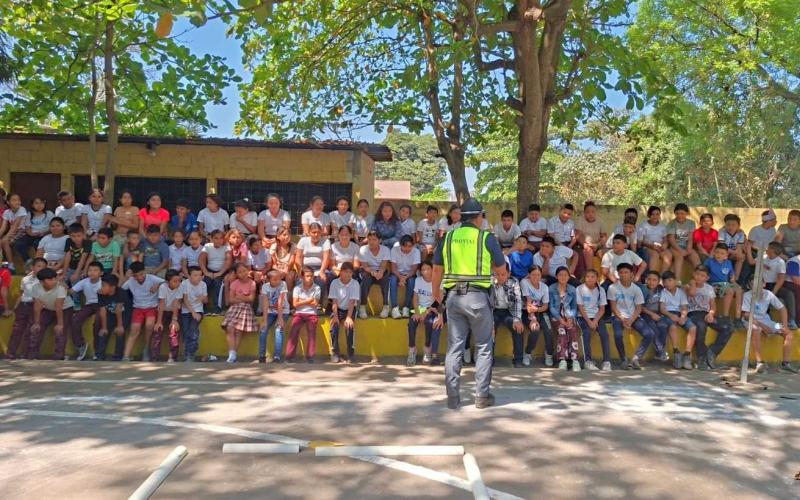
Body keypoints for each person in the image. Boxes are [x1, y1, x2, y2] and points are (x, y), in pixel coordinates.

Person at [432, 198, 507, 410]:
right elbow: (501, 271)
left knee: (455, 347)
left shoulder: (447, 237)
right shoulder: (486, 237)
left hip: (453, 298)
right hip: (478, 299)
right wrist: (500, 278)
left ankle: (453, 398)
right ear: (478, 217)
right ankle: (481, 396)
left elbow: (437, 269)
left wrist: (436, 293)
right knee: (483, 346)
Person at [742, 280, 797, 373]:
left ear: (764, 284)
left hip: (766, 320)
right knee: (756, 330)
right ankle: (760, 363)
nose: (756, 287)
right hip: (751, 320)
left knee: (788, 334)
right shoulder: (747, 295)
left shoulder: (769, 294)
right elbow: (746, 315)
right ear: (750, 286)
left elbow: (782, 308)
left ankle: (786, 364)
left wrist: (785, 325)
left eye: (759, 284)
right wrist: (763, 326)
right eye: (753, 285)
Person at [608, 263, 655, 370]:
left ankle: (636, 358)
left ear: (631, 274)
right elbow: (613, 307)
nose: (623, 275)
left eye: (626, 272)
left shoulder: (636, 289)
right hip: (618, 316)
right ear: (618, 274)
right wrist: (622, 319)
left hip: (633, 316)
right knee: (618, 335)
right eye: (621, 272)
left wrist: (631, 320)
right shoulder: (612, 288)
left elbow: (638, 308)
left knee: (649, 334)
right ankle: (623, 359)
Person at [685, 265, 733, 370]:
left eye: (702, 276)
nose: (699, 277)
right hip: (694, 313)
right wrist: (692, 283)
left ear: (707, 278)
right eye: (697, 274)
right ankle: (701, 357)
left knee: (728, 327)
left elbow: (713, 305)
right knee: (701, 327)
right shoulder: (688, 286)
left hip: (706, 314)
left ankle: (712, 351)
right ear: (693, 274)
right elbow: (692, 293)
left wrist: (711, 313)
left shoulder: (709, 288)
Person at [28, 267, 77, 360]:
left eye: (55, 278)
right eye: (50, 279)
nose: (54, 281)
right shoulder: (36, 288)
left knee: (60, 330)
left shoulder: (61, 288)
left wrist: (60, 324)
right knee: (37, 328)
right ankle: (32, 354)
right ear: (42, 282)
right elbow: (37, 306)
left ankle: (59, 355)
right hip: (48, 308)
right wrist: (37, 322)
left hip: (65, 309)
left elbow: (59, 307)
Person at [121, 261, 165, 361]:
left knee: (149, 325)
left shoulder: (152, 278)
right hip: (138, 308)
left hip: (151, 307)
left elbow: (166, 281)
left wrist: (157, 286)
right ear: (133, 275)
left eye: (141, 274)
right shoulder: (131, 280)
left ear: (144, 271)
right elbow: (121, 287)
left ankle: (146, 349)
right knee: (134, 329)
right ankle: (126, 355)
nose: (139, 277)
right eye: (136, 275)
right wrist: (126, 277)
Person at [5, 258, 47, 359]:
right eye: (39, 266)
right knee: (17, 329)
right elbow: (21, 293)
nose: (41, 269)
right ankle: (11, 352)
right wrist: (15, 307)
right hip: (23, 305)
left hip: (35, 306)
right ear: (32, 267)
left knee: (31, 331)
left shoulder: (44, 280)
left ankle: (28, 354)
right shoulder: (25, 279)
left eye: (44, 267)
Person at [658, 271, 697, 370]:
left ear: (675, 281)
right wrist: (671, 316)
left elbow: (684, 307)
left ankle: (687, 355)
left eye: (670, 280)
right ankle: (676, 353)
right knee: (672, 327)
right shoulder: (663, 292)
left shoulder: (681, 292)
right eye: (665, 281)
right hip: (668, 314)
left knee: (693, 327)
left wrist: (683, 316)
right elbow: (662, 309)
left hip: (680, 313)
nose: (668, 283)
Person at [407, 261, 443, 366]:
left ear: (432, 269)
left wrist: (427, 311)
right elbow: (415, 298)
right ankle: (412, 350)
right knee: (412, 322)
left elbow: (439, 299)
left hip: (432, 308)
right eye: (423, 270)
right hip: (420, 308)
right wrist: (418, 312)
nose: (425, 272)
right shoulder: (418, 280)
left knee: (429, 322)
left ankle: (427, 349)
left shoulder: (438, 281)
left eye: (428, 269)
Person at [222, 263, 257, 363]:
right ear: (237, 274)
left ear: (248, 271)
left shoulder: (252, 283)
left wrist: (239, 297)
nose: (243, 273)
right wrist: (244, 298)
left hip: (246, 308)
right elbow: (231, 300)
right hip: (234, 308)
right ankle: (232, 353)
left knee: (238, 330)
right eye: (240, 272)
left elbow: (251, 299)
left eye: (244, 271)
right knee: (229, 328)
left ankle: (233, 355)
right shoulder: (234, 283)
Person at [576, 269, 610, 371]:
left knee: (604, 334)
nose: (590, 279)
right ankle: (588, 361)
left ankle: (606, 361)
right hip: (583, 317)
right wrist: (589, 322)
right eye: (588, 276)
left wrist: (595, 321)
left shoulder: (601, 290)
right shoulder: (579, 289)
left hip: (596, 317)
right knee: (586, 333)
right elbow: (580, 308)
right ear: (584, 278)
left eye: (592, 277)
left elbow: (602, 309)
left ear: (597, 278)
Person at [69, 261, 104, 361]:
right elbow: (71, 291)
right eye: (90, 270)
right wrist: (63, 287)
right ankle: (81, 345)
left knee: (97, 322)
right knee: (75, 320)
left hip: (101, 305)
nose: (92, 272)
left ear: (101, 273)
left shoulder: (103, 282)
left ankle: (97, 351)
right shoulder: (84, 281)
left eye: (95, 270)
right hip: (88, 305)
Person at [491, 265, 524, 367]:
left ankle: (518, 359)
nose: (500, 277)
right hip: (493, 311)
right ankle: (489, 359)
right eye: (497, 274)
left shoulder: (513, 282)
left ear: (509, 274)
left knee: (518, 329)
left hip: (508, 311)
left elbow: (518, 301)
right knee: (488, 329)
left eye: (503, 274)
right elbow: (485, 303)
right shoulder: (489, 282)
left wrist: (517, 319)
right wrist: (489, 322)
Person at [520, 266, 554, 367]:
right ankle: (528, 353)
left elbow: (545, 306)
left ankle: (549, 354)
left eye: (538, 274)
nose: (535, 277)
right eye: (533, 274)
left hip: (540, 311)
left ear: (541, 275)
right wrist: (533, 318)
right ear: (529, 275)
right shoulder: (524, 282)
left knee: (549, 330)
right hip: (527, 311)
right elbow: (528, 301)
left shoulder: (544, 287)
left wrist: (537, 310)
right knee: (535, 329)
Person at [549, 266, 581, 371]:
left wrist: (570, 318)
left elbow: (574, 306)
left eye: (565, 275)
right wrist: (560, 319)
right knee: (562, 330)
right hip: (556, 316)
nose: (563, 277)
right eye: (560, 275)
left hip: (569, 316)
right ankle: (562, 360)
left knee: (572, 329)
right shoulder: (552, 288)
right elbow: (552, 307)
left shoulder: (572, 289)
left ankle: (575, 360)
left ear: (569, 277)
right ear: (557, 276)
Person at [705, 242, 744, 329]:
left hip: (726, 283)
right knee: (729, 291)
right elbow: (704, 273)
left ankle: (737, 318)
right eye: (717, 252)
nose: (719, 255)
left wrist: (733, 279)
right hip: (714, 284)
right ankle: (725, 316)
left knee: (739, 290)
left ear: (726, 255)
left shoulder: (728, 263)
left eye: (722, 253)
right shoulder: (709, 262)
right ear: (714, 252)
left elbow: (732, 274)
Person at [328, 262, 360, 363]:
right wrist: (336, 316)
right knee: (334, 326)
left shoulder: (355, 283)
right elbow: (334, 301)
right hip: (337, 308)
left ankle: (350, 354)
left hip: (349, 309)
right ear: (341, 272)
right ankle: (335, 352)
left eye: (350, 272)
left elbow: (352, 301)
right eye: (346, 272)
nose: (348, 274)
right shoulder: (335, 283)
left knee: (349, 327)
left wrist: (349, 317)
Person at [287, 266, 321, 363]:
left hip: (311, 313)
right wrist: (309, 300)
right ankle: (289, 356)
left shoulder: (317, 288)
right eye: (307, 276)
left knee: (312, 332)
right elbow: (295, 304)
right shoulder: (297, 288)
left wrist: (302, 301)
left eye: (311, 276)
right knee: (294, 331)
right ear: (302, 277)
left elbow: (315, 304)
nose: (310, 278)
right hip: (299, 313)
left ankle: (310, 357)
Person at [762, 241, 798, 329]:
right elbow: (752, 262)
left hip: (774, 285)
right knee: (762, 296)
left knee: (789, 294)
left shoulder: (780, 262)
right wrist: (748, 249)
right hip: (762, 284)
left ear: (772, 250)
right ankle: (766, 319)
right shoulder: (763, 257)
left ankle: (791, 320)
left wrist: (773, 293)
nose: (767, 249)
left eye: (769, 248)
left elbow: (781, 279)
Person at [258, 269, 290, 364]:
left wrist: (280, 319)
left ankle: (277, 357)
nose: (278, 281)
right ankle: (261, 356)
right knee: (263, 330)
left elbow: (280, 301)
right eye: (274, 280)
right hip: (270, 312)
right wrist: (264, 319)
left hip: (283, 312)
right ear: (268, 280)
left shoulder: (283, 284)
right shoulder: (265, 287)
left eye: (279, 279)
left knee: (278, 329)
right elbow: (265, 302)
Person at [357, 231, 390, 319]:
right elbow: (364, 266)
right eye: (369, 239)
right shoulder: (363, 249)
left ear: (380, 240)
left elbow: (383, 265)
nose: (371, 242)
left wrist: (380, 272)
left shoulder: (385, 249)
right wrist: (373, 272)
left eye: (374, 239)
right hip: (367, 270)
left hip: (380, 270)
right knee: (365, 280)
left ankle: (386, 306)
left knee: (385, 278)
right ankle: (362, 306)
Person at [94, 274, 127, 361]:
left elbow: (118, 309)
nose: (102, 287)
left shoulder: (121, 292)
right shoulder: (100, 293)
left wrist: (120, 326)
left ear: (112, 287)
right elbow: (103, 310)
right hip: (110, 314)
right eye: (102, 285)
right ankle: (99, 355)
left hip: (124, 314)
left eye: (104, 285)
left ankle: (118, 355)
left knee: (120, 332)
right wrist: (104, 328)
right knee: (103, 331)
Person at [199, 229, 231, 315]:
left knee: (218, 284)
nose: (219, 240)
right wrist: (206, 272)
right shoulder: (207, 246)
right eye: (216, 238)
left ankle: (218, 308)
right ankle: (203, 308)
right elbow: (201, 259)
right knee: (204, 283)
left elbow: (228, 261)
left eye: (221, 238)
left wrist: (220, 273)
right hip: (209, 271)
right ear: (211, 239)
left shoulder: (226, 247)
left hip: (222, 271)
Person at [640, 270, 670, 362]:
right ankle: (661, 350)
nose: (651, 282)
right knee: (653, 328)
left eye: (654, 280)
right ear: (645, 280)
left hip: (658, 313)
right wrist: (651, 314)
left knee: (663, 326)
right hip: (646, 313)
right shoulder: (643, 290)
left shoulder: (660, 289)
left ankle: (658, 352)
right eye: (649, 279)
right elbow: (640, 307)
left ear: (658, 281)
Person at [153, 269, 182, 362]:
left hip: (175, 311)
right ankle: (154, 357)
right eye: (174, 281)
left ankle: (172, 357)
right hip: (163, 311)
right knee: (158, 331)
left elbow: (176, 304)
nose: (177, 283)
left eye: (179, 281)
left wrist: (174, 319)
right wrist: (158, 322)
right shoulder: (163, 287)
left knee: (174, 331)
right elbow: (161, 304)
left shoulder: (180, 287)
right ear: (168, 281)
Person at [388, 235, 420, 318]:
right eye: (404, 246)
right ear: (400, 245)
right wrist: (400, 277)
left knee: (412, 282)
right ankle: (395, 308)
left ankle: (406, 307)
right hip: (396, 273)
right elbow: (393, 268)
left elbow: (413, 270)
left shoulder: (416, 251)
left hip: (410, 274)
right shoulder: (394, 250)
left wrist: (404, 278)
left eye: (410, 246)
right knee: (393, 280)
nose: (407, 248)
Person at [180, 266, 208, 362]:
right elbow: (185, 300)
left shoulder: (203, 284)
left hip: (198, 310)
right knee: (186, 332)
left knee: (193, 331)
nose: (198, 277)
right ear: (189, 276)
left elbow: (205, 298)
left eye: (200, 275)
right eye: (195, 275)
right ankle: (188, 352)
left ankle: (190, 355)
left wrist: (202, 298)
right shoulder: (184, 284)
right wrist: (193, 312)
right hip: (186, 311)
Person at [14, 197, 52, 262]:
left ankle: (41, 261)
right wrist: (31, 234)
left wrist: (44, 233)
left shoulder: (49, 213)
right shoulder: (29, 214)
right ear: (32, 205)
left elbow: (53, 226)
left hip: (45, 235)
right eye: (36, 203)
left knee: (37, 243)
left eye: (41, 203)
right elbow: (27, 228)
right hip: (31, 235)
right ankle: (28, 260)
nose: (39, 205)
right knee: (18, 243)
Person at [574, 201, 607, 274]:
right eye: (588, 212)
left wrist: (597, 245)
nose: (590, 214)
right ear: (584, 213)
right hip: (584, 245)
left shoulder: (600, 222)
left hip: (597, 245)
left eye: (593, 212)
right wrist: (585, 245)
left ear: (596, 212)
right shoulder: (580, 220)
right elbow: (578, 235)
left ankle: (609, 274)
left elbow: (604, 236)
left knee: (604, 254)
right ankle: (591, 273)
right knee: (588, 251)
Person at [296, 223, 331, 290]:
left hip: (319, 268)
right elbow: (298, 257)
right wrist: (301, 270)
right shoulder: (303, 240)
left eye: (318, 232)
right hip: (305, 268)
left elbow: (326, 258)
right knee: (300, 282)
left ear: (321, 232)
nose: (316, 234)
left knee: (322, 281)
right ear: (309, 232)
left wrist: (322, 271)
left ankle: (321, 300)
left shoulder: (326, 241)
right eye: (313, 232)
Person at [636, 206, 671, 274]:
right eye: (653, 214)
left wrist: (664, 245)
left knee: (668, 255)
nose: (655, 216)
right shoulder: (643, 225)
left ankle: (662, 277)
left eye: (657, 214)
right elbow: (640, 241)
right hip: (648, 247)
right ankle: (652, 276)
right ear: (649, 215)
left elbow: (665, 240)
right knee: (655, 255)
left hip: (660, 247)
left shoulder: (662, 226)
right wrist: (651, 245)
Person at [0, 193, 29, 265]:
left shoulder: (22, 209)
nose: (17, 202)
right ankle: (9, 264)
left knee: (4, 241)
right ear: (8, 202)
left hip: (22, 232)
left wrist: (6, 237)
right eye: (14, 200)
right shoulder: (7, 212)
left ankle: (9, 264)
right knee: (3, 242)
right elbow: (3, 227)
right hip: (13, 233)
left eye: (18, 200)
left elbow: (15, 225)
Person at [718, 213, 746, 285]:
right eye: (728, 224)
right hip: (723, 252)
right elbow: (722, 246)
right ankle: (722, 279)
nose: (730, 227)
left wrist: (736, 253)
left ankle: (735, 279)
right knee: (722, 255)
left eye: (733, 225)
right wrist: (733, 253)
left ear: (738, 225)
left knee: (741, 256)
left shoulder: (741, 233)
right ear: (725, 224)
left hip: (733, 253)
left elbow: (739, 247)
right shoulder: (721, 231)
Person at [62, 223, 92, 291]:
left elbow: (83, 259)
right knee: (60, 281)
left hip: (82, 269)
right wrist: (64, 274)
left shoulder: (87, 243)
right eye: (73, 236)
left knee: (75, 284)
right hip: (70, 268)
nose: (76, 238)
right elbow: (67, 257)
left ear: (83, 234)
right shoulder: (68, 241)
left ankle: (76, 301)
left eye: (79, 236)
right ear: (69, 236)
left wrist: (77, 273)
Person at [270, 227, 296, 296]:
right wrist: (279, 271)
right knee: (274, 275)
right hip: (276, 268)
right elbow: (273, 263)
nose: (287, 237)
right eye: (284, 235)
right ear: (278, 236)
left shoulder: (293, 246)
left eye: (288, 235)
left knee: (290, 276)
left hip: (288, 269)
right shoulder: (274, 246)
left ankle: (288, 297)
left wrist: (286, 270)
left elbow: (291, 261)